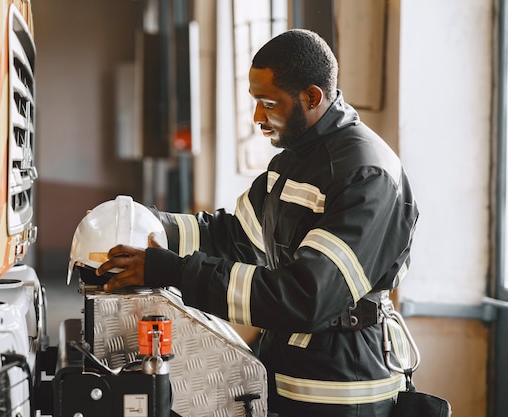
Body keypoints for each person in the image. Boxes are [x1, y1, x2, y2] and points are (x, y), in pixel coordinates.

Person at [96, 28, 419, 417]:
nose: (257, 117)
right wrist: (143, 223)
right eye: (255, 102)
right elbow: (235, 236)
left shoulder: (366, 174)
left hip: (344, 392)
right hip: (288, 378)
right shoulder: (292, 160)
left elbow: (307, 297)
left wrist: (176, 271)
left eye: (268, 103)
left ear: (312, 97)